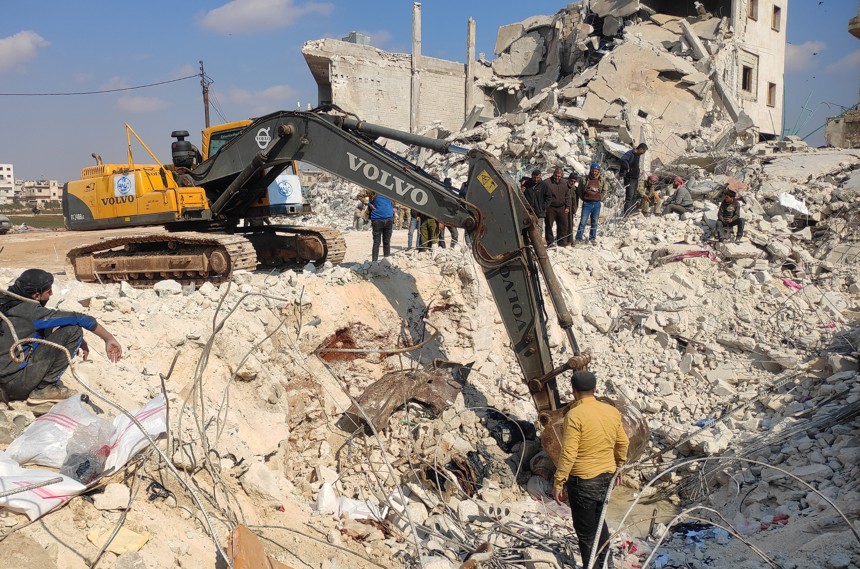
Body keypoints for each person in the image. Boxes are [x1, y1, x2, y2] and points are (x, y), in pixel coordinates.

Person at [0, 269, 122, 403]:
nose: (51, 294)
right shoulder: (32, 312)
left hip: (4, 382)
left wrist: (80, 341)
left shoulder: (7, 304)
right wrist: (108, 338)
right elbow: (81, 319)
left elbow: (33, 328)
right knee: (74, 330)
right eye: (48, 291)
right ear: (36, 295)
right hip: (15, 384)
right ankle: (44, 389)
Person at [553, 371, 629, 569]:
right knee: (599, 522)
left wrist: (559, 481)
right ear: (595, 389)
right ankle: (607, 564)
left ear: (574, 391)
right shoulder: (611, 411)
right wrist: (620, 467)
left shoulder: (574, 415)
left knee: (586, 534)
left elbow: (569, 453)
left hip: (583, 481)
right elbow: (623, 442)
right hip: (607, 478)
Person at [575, 162, 610, 243]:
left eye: (596, 171)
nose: (594, 173)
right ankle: (578, 238)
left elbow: (605, 190)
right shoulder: (584, 179)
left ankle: (592, 238)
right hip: (587, 203)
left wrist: (600, 197)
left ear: (598, 171)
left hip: (596, 204)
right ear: (590, 170)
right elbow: (579, 189)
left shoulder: (601, 180)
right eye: (593, 171)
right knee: (583, 221)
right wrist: (583, 197)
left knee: (594, 222)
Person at [541, 167, 573, 247]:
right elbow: (542, 195)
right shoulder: (547, 182)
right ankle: (550, 242)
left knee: (563, 225)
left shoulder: (565, 183)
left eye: (559, 176)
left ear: (561, 175)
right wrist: (545, 206)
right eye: (556, 176)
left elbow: (567, 195)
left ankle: (561, 241)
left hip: (562, 207)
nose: (557, 178)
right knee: (549, 225)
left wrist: (567, 206)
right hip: (550, 208)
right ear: (553, 174)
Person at [619, 143, 648, 216]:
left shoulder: (637, 155)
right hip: (630, 178)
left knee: (634, 195)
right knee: (629, 196)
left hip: (635, 178)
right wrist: (627, 168)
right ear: (641, 149)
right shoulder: (630, 153)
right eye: (643, 151)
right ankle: (626, 213)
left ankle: (631, 211)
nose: (643, 153)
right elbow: (623, 160)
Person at [522, 170, 551, 238]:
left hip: (540, 212)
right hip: (529, 211)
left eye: (537, 178)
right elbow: (522, 196)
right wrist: (522, 191)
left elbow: (549, 197)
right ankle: (529, 243)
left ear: (540, 176)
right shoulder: (527, 184)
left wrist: (544, 206)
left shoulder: (544, 185)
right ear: (532, 176)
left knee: (538, 228)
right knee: (529, 228)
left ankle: (539, 244)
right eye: (534, 177)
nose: (536, 179)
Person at [368, 192, 394, 262]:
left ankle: (386, 262)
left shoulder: (391, 189)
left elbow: (397, 201)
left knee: (387, 242)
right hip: (377, 219)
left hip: (389, 219)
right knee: (376, 242)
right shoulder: (373, 189)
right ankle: (374, 263)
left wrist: (396, 207)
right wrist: (369, 204)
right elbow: (360, 196)